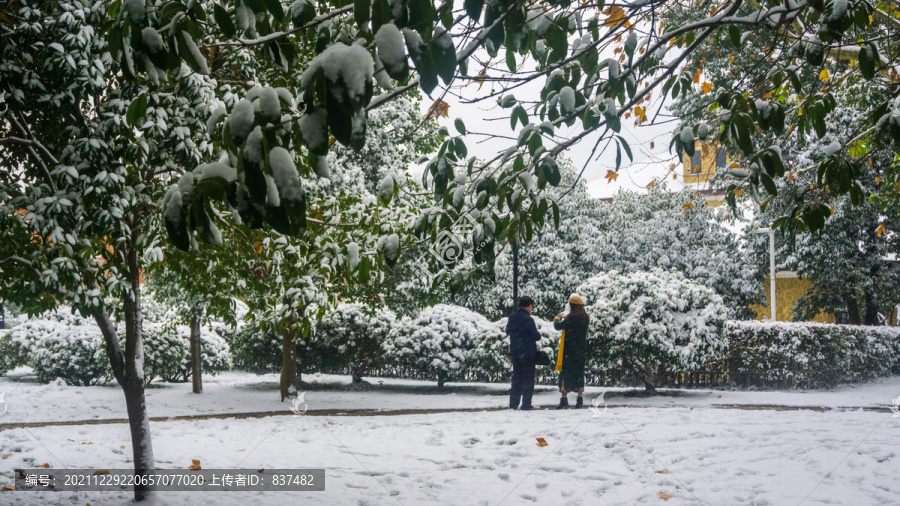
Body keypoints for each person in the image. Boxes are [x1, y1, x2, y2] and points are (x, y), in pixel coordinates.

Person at [553, 295, 589, 409]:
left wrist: (556, 318)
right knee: (579, 374)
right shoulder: (585, 318)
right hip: (581, 351)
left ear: (571, 305)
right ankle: (579, 400)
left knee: (565, 374)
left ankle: (564, 400)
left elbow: (558, 326)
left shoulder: (570, 319)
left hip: (569, 352)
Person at [506, 296, 541, 410]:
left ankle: (513, 404)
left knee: (516, 378)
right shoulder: (528, 319)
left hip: (516, 352)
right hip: (528, 354)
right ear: (529, 305)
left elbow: (507, 330)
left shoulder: (512, 317)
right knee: (528, 380)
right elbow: (536, 336)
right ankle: (526, 404)